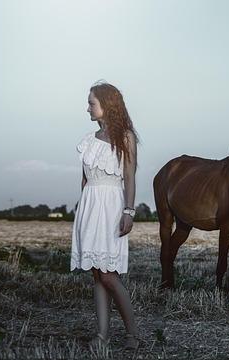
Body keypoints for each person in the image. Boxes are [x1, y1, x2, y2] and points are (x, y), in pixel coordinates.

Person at [70, 81, 140, 350]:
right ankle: (102, 335)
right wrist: (81, 215)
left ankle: (132, 333)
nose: (87, 108)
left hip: (112, 205)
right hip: (90, 207)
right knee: (97, 275)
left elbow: (130, 177)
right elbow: (84, 182)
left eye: (91, 103)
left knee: (109, 275)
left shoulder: (126, 137)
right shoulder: (88, 141)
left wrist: (129, 212)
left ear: (106, 105)